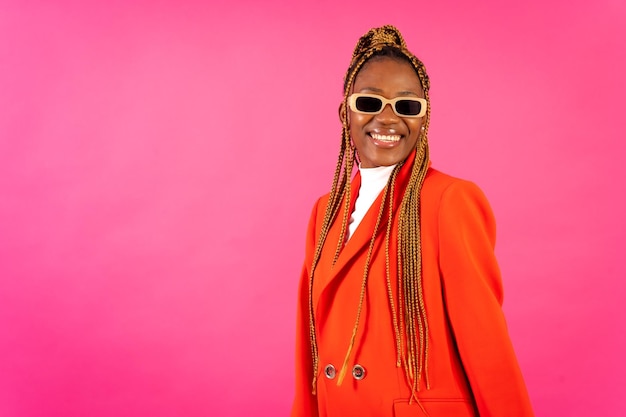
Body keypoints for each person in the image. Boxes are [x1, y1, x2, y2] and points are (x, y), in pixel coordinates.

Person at [291, 25, 534, 417]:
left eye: (406, 106)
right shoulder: (326, 212)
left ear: (423, 119)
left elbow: (486, 344)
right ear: (345, 113)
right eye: (370, 102)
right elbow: (311, 347)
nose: (388, 119)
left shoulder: (449, 201)